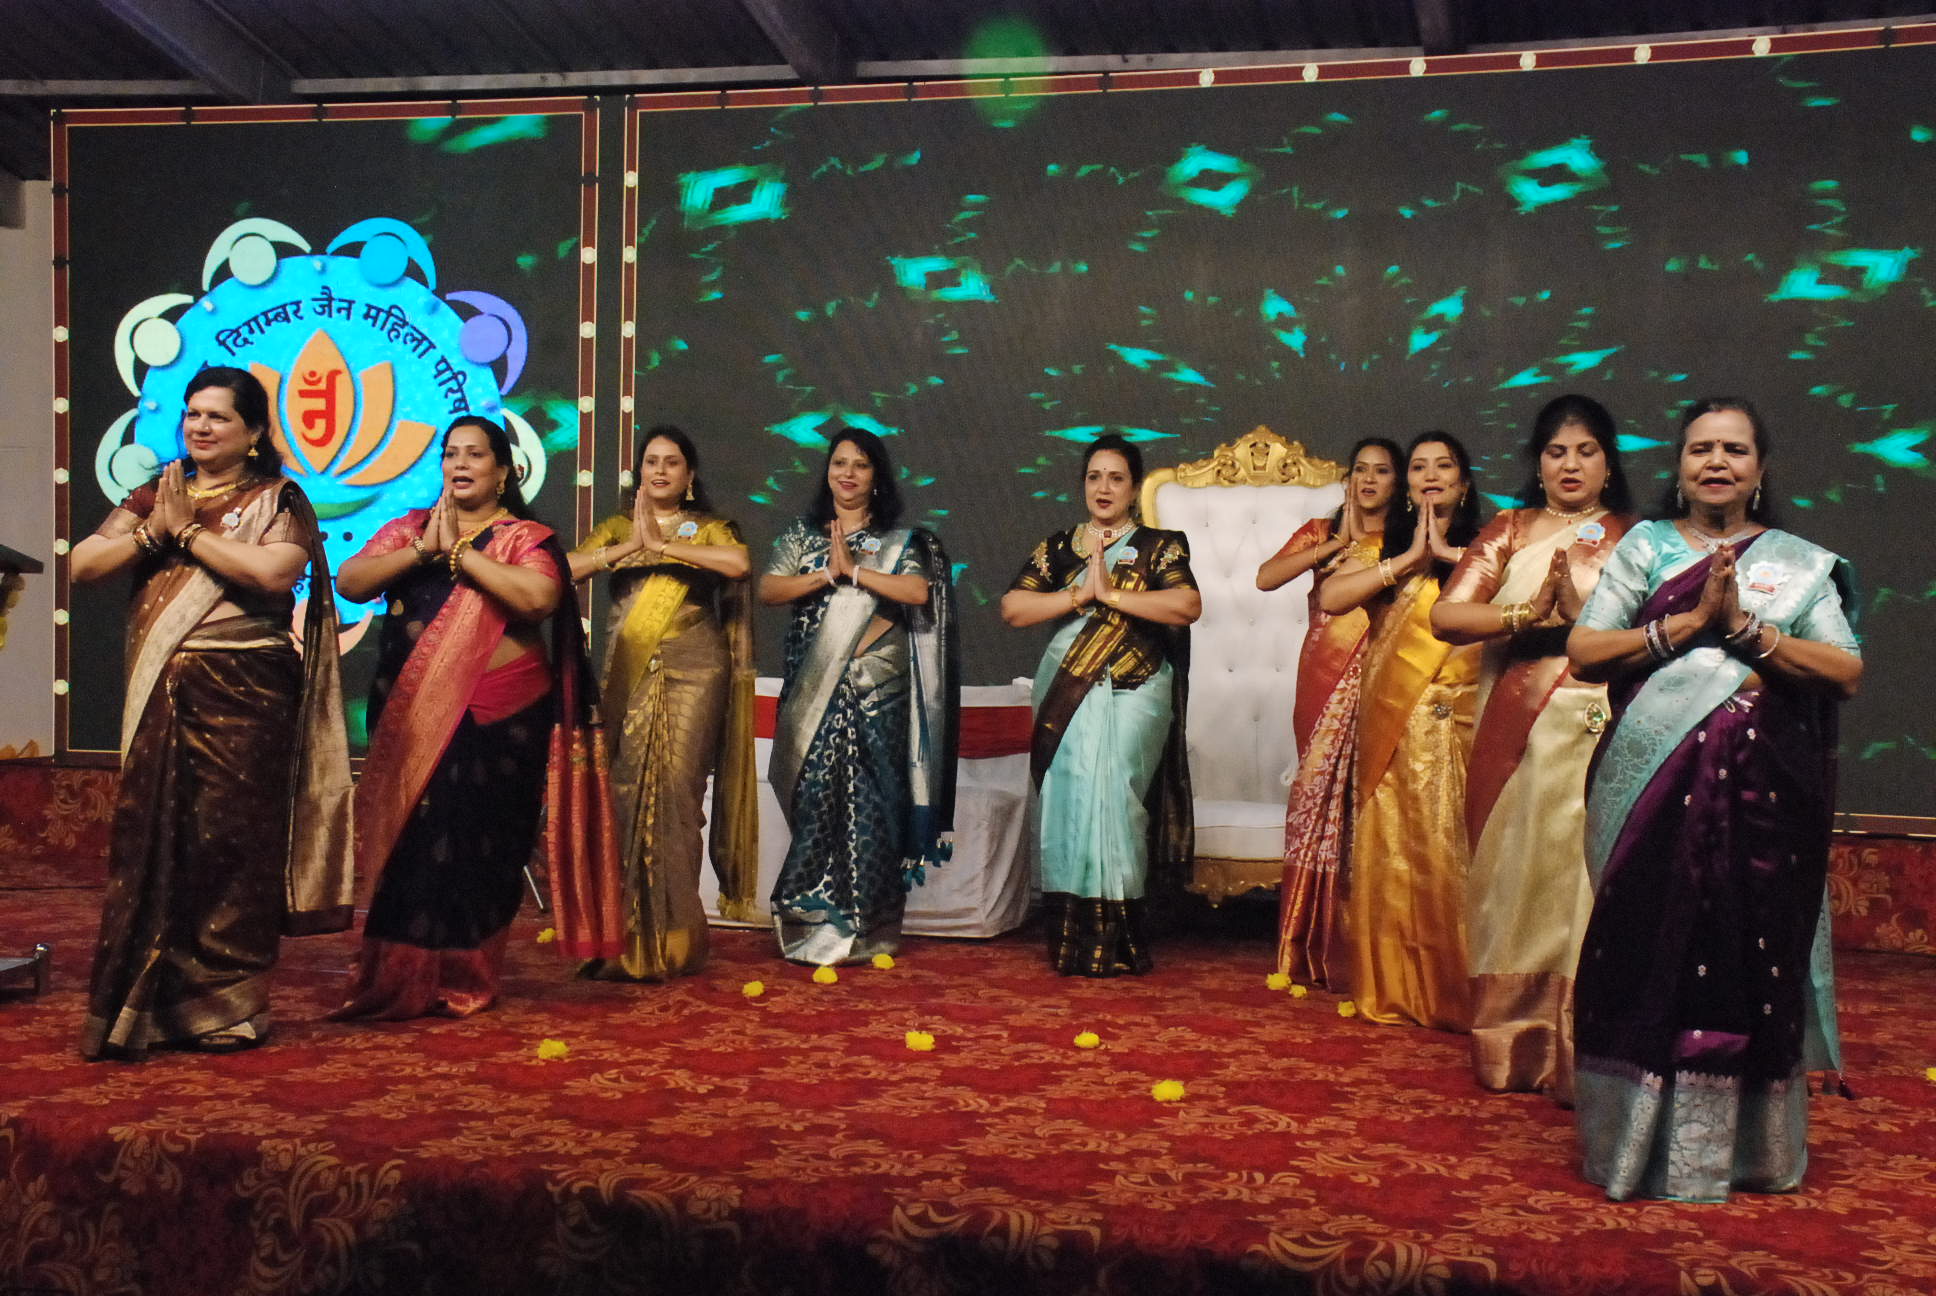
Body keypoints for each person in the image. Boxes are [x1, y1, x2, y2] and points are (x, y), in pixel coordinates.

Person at [1566, 396, 1860, 1202]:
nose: (1717, 462)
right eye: (1701, 449)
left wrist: (1747, 631)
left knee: (1748, 954)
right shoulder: (1646, 547)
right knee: (1642, 947)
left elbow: (1844, 669)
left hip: (1767, 800)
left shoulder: (1797, 563)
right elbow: (1586, 648)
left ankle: (1748, 1155)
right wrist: (1687, 624)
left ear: (1759, 469)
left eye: (1734, 449)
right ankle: (1633, 1147)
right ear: (1680, 466)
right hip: (1652, 791)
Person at [70, 366, 353, 1058]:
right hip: (163, 690)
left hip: (247, 694)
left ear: (254, 432)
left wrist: (188, 536)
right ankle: (147, 1004)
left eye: (218, 416)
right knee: (154, 842)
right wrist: (151, 535)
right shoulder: (158, 492)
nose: (200, 426)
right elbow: (83, 564)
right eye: (193, 413)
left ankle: (230, 1004)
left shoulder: (277, 497)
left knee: (231, 843)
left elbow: (274, 573)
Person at [331, 415, 616, 1020]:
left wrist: (460, 554)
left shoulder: (522, 539)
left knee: (478, 845)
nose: (459, 464)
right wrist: (420, 551)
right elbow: (351, 581)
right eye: (451, 454)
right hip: (414, 714)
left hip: (497, 720)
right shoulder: (410, 529)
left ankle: (464, 976)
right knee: (412, 844)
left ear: (503, 471)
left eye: (475, 455)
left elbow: (539, 598)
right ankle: (399, 977)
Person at [1432, 395, 1637, 1097]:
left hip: (1607, 721)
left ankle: (1590, 1045)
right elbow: (1448, 614)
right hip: (1518, 727)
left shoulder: (1638, 538)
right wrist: (1527, 613)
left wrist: (1585, 629)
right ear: (1538, 463)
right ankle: (1516, 1042)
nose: (1570, 465)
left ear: (1608, 462)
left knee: (1589, 878)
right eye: (1556, 452)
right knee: (1519, 875)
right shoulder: (1511, 528)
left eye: (1585, 451)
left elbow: (1653, 628)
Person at [1001, 434, 1200, 976]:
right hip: (1067, 690)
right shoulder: (1060, 547)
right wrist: (1078, 596)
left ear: (1134, 488)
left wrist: (1111, 595)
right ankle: (1073, 937)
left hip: (1137, 688)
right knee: (1069, 799)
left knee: (1116, 793)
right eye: (1094, 477)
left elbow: (1186, 605)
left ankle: (1118, 938)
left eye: (1116, 478)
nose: (1104, 488)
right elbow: (1014, 607)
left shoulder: (1159, 546)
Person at [758, 428, 958, 965]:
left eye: (860, 465)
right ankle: (807, 921)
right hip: (812, 690)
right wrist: (828, 573)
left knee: (871, 807)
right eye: (839, 463)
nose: (847, 473)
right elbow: (770, 588)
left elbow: (917, 592)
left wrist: (858, 572)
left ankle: (868, 928)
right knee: (815, 801)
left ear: (876, 477)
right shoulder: (803, 536)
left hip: (875, 695)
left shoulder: (898, 542)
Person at [566, 426, 757, 980]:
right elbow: (564, 570)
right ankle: (622, 934)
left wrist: (665, 547)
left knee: (676, 793)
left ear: (689, 476)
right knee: (625, 795)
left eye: (672, 462)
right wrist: (629, 546)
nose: (660, 471)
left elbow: (738, 564)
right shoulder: (616, 527)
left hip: (695, 670)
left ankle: (675, 938)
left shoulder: (711, 527)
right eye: (651, 461)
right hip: (629, 674)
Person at [1319, 432, 1484, 1030]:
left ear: (1464, 482)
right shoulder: (1383, 549)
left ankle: (1461, 992)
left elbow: (1522, 608)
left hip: (1463, 727)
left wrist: (1451, 558)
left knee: (1454, 857)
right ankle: (1395, 989)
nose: (1431, 476)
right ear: (1407, 484)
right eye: (1418, 468)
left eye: (1444, 466)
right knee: (1394, 859)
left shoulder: (1490, 549)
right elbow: (1332, 597)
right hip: (1393, 728)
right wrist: (1408, 561)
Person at [1260, 436, 1400, 989]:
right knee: (1316, 795)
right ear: (1347, 479)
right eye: (1360, 469)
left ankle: (1358, 945)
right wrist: (1332, 547)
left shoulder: (1407, 539)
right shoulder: (1322, 532)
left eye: (1381, 471)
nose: (1369, 480)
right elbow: (1266, 577)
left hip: (1384, 676)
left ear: (1397, 482)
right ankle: (1305, 942)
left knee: (1369, 802)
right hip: (1323, 677)